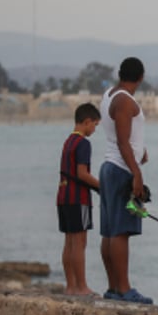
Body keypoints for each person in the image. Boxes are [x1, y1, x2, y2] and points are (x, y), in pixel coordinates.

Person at [99, 57, 153, 303]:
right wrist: (137, 173)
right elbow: (122, 141)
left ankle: (113, 287)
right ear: (141, 77)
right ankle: (123, 288)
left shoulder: (110, 94)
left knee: (110, 231)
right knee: (120, 232)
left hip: (112, 167)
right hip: (121, 169)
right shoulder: (124, 101)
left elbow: (123, 139)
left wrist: (140, 152)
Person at [57, 103, 102, 296]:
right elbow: (82, 174)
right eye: (95, 125)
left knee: (68, 242)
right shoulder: (84, 143)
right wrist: (102, 187)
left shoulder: (68, 141)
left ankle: (71, 286)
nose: (95, 129)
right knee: (79, 242)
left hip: (63, 196)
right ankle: (82, 287)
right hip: (78, 198)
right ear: (86, 122)